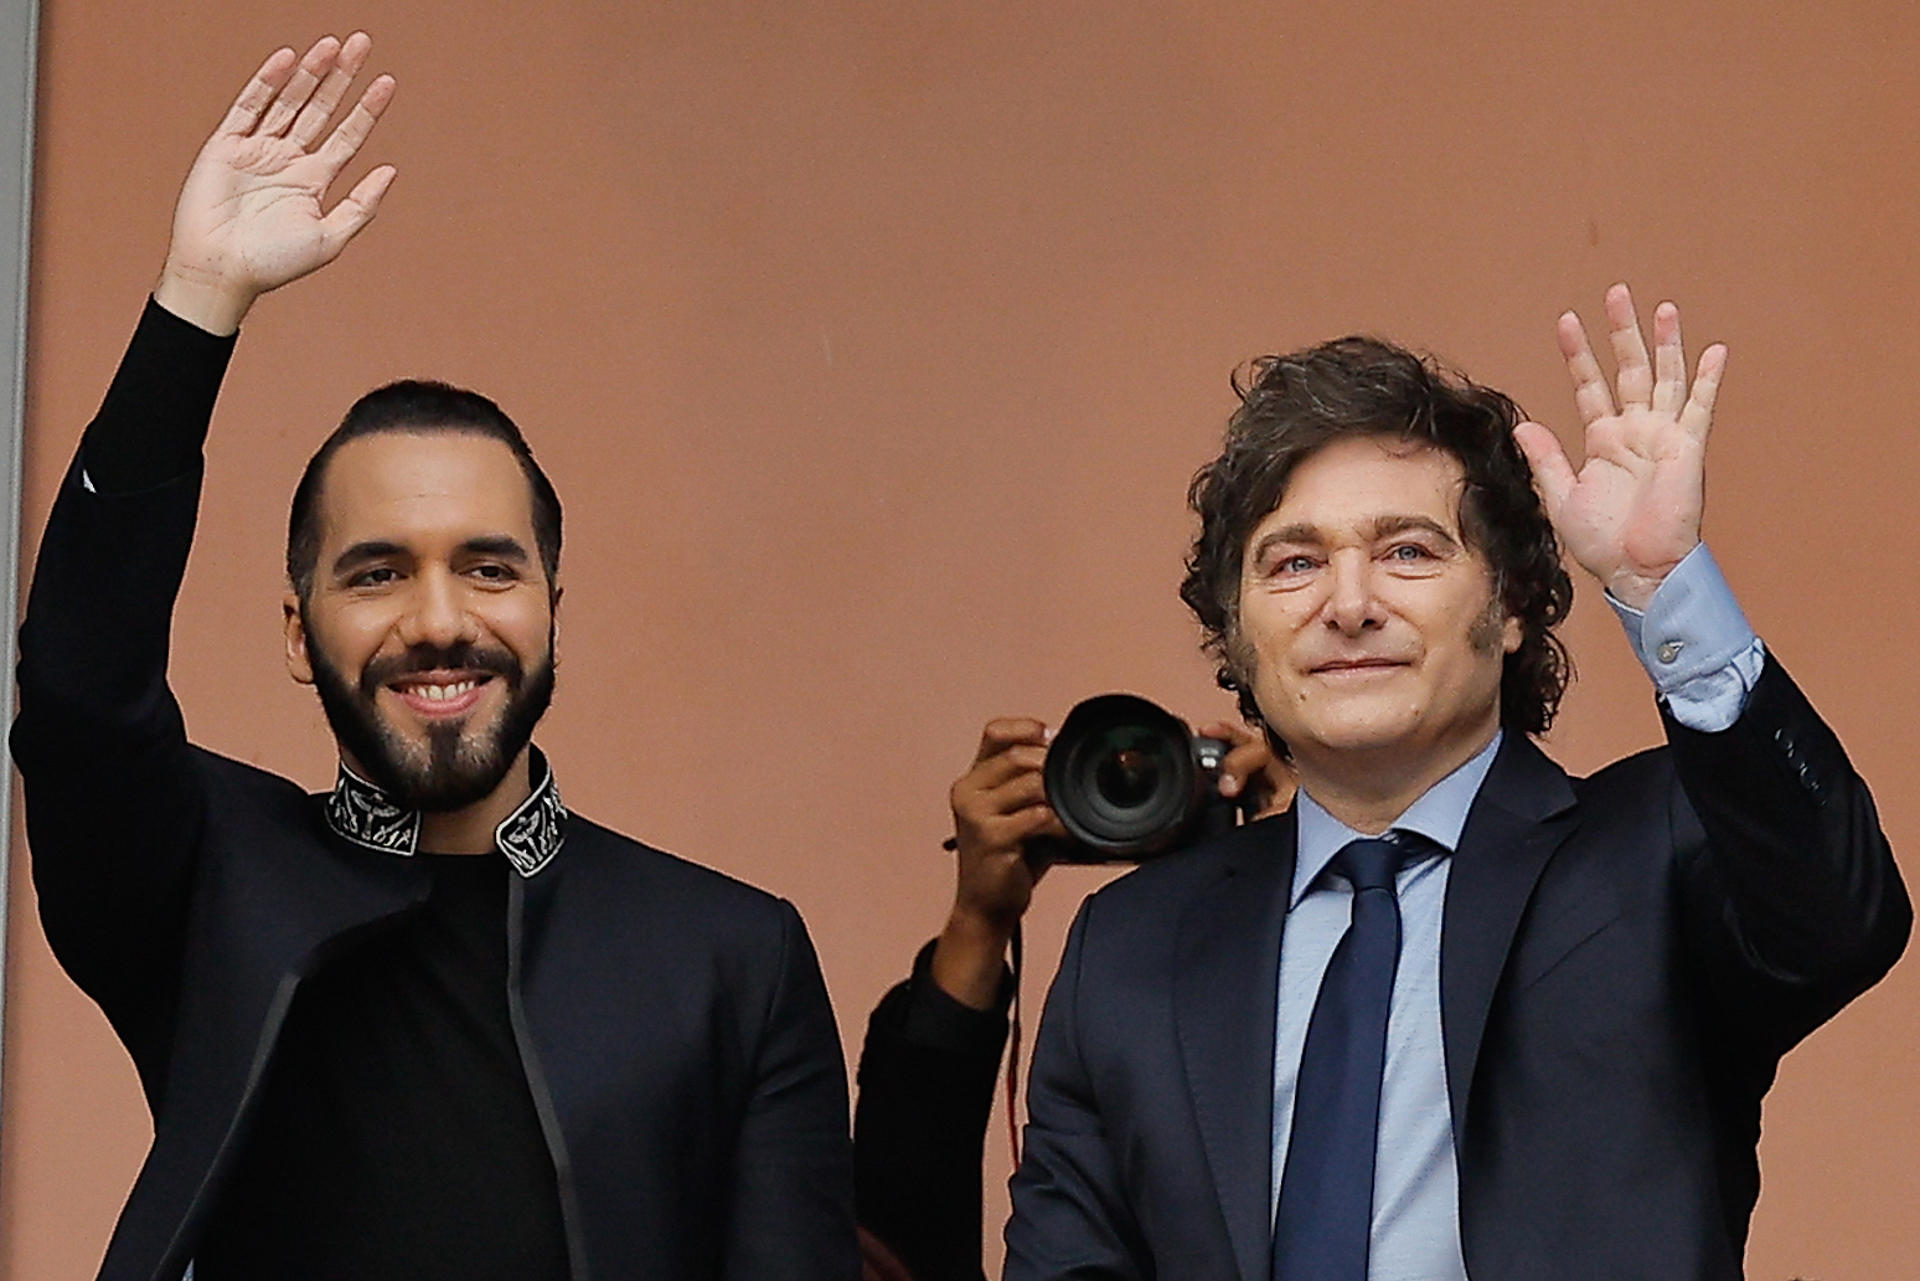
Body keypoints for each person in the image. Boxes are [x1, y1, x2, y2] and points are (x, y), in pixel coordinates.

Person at [11, 34, 852, 1281]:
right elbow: (80, 688)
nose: (440, 617)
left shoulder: (730, 955)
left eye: (489, 566)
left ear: (553, 610)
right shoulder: (208, 882)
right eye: (377, 571)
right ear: (300, 635)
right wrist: (198, 302)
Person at [1001, 291, 1911, 1280]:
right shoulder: (1130, 952)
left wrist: (1664, 588)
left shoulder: (1654, 849)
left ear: (1513, 606)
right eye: (1294, 562)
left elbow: (1840, 918)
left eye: (1408, 552)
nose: (1349, 605)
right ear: (1236, 634)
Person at [855, 715, 1290, 1281]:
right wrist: (979, 922)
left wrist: (1289, 865)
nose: (1130, 789)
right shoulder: (1104, 964)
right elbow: (898, 1238)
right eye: (1105, 780)